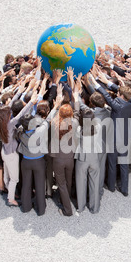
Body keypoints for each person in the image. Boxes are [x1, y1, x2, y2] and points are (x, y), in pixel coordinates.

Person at [89, 72, 131, 197]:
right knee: (124, 164)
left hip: (114, 139)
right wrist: (113, 84)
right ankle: (124, 189)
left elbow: (107, 96)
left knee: (111, 163)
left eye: (118, 94)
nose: (117, 95)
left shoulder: (117, 106)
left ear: (121, 96)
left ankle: (111, 186)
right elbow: (122, 93)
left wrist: (96, 83)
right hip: (125, 138)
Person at [17, 88, 63, 215]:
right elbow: (48, 119)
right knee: (40, 184)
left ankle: (26, 207)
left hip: (26, 161)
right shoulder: (39, 131)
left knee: (26, 184)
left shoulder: (20, 131)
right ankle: (41, 209)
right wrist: (56, 105)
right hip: (38, 161)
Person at [0, 80, 38, 207]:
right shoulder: (9, 124)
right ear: (7, 116)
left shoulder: (1, 122)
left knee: (7, 173)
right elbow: (20, 114)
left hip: (4, 151)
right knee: (15, 178)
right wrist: (31, 102)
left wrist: (19, 92)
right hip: (11, 154)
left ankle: (8, 190)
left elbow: (8, 107)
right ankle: (11, 199)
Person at [50, 87, 80, 216]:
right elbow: (77, 112)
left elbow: (51, 118)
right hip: (70, 157)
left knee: (61, 183)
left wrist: (57, 104)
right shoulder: (75, 122)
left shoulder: (54, 124)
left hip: (58, 158)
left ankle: (67, 209)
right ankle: (65, 198)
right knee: (68, 180)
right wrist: (76, 98)